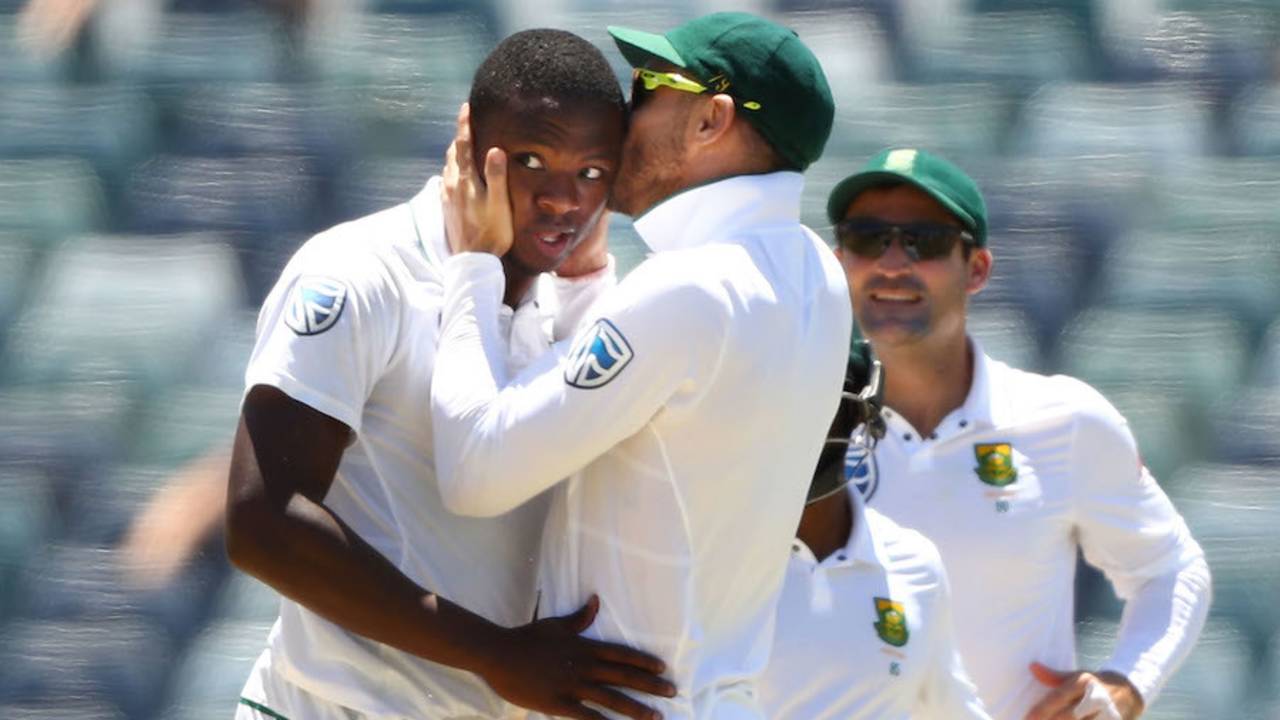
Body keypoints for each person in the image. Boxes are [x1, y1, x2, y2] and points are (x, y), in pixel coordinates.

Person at [224, 29, 676, 720]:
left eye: (592, 171)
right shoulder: (359, 272)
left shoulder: (579, 302)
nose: (564, 200)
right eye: (532, 160)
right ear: (470, 142)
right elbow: (262, 522)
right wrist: (493, 653)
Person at [430, 12, 851, 719]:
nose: (624, 115)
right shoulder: (818, 273)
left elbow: (476, 468)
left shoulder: (690, 286)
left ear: (711, 120)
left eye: (649, 87)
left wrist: (471, 263)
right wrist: (587, 285)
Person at [825, 147, 1212, 720]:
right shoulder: (793, 423)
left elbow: (1171, 568)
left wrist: (1129, 684)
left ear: (976, 268)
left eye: (924, 241)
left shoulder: (1064, 418)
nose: (891, 263)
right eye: (867, 238)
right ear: (839, 261)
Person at [758, 343, 992, 720]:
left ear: (859, 413)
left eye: (821, 403)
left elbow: (953, 709)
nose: (798, 426)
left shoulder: (913, 563)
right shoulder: (702, 554)